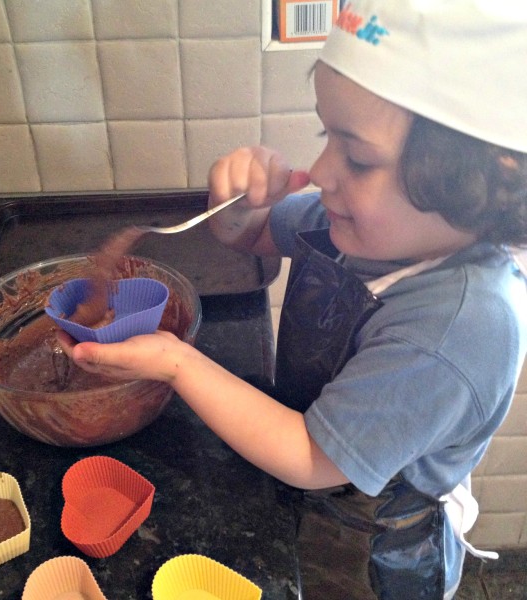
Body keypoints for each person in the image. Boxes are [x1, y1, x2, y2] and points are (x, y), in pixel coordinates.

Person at [58, 1, 527, 597]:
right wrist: (243, 203)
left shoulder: (461, 325)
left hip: (375, 547)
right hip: (307, 488)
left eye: (356, 156)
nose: (323, 170)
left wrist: (176, 361)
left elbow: (313, 457)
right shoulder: (361, 225)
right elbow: (249, 236)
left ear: (478, 183)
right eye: (325, 136)